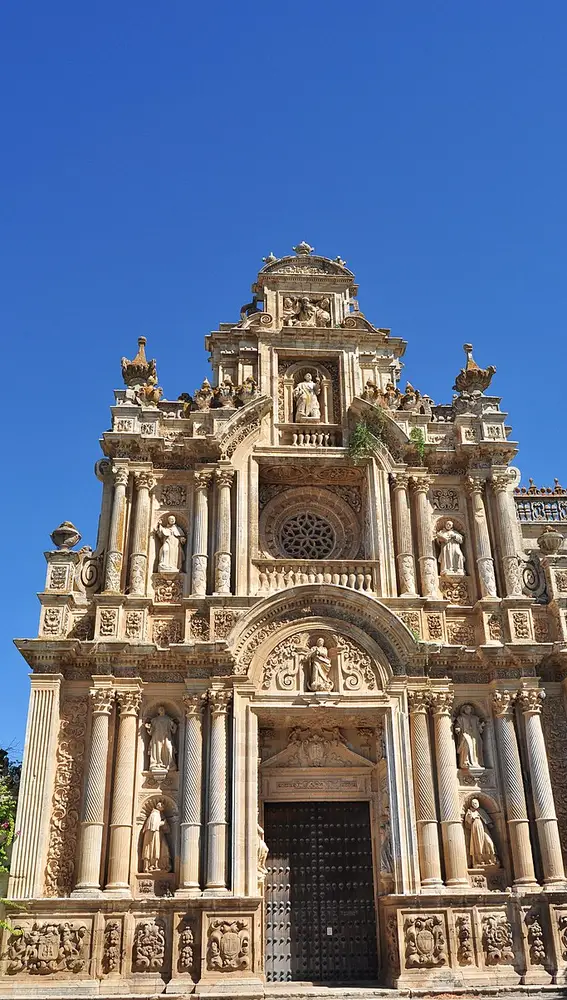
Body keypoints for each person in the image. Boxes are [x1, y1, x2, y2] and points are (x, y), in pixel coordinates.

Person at [464, 798, 499, 867]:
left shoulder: (481, 811)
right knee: (477, 845)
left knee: (489, 843)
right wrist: (470, 817)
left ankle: (492, 859)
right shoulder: (470, 812)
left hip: (483, 829)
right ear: (471, 804)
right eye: (474, 803)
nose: (475, 804)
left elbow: (487, 820)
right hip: (475, 830)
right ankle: (479, 860)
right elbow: (468, 822)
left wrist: (489, 823)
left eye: (476, 803)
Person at [141, 801, 171, 872]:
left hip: (154, 833)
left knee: (153, 848)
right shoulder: (155, 814)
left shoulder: (156, 814)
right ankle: (153, 865)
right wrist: (162, 823)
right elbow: (155, 826)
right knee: (154, 848)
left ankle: (153, 865)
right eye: (161, 805)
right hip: (154, 833)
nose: (162, 806)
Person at [145, 706, 177, 771]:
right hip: (156, 737)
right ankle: (156, 764)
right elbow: (151, 732)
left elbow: (173, 730)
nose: (161, 710)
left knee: (169, 748)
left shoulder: (168, 719)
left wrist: (175, 726)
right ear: (158, 711)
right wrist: (148, 728)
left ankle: (170, 765)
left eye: (163, 709)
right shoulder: (154, 720)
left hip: (166, 737)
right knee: (157, 750)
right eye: (160, 709)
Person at [454, 704, 484, 768]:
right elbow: (457, 725)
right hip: (465, 734)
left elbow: (479, 728)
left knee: (475, 747)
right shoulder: (460, 718)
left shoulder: (475, 718)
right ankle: (465, 761)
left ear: (471, 710)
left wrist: (481, 725)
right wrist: (457, 729)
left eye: (469, 709)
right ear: (464, 710)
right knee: (466, 745)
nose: (468, 710)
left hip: (474, 735)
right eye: (466, 708)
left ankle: (476, 762)